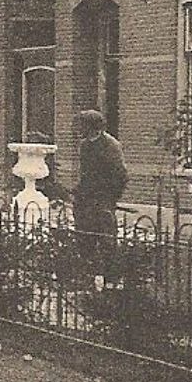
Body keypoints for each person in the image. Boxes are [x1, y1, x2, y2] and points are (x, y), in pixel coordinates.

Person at [72, 109, 128, 282]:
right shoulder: (84, 145)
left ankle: (111, 279)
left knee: (106, 238)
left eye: (82, 125)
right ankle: (87, 276)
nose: (78, 129)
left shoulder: (111, 145)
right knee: (83, 235)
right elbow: (85, 173)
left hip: (103, 198)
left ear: (92, 126)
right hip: (86, 198)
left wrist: (110, 199)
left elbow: (121, 175)